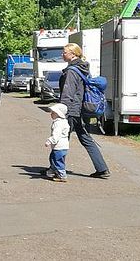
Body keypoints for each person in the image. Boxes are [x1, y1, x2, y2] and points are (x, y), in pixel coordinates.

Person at [59, 43, 111, 178]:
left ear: (73, 54)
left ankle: (55, 168)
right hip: (83, 109)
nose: (62, 54)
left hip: (72, 110)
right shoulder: (83, 68)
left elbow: (68, 93)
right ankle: (102, 169)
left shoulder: (71, 71)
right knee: (85, 138)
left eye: (64, 52)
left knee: (60, 138)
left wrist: (61, 110)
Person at [44, 103, 70, 182]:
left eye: (53, 113)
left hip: (59, 145)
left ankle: (62, 175)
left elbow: (56, 135)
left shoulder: (58, 123)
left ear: (59, 114)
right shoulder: (64, 121)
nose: (51, 114)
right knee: (54, 158)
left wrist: (49, 141)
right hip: (63, 146)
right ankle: (54, 170)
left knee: (57, 160)